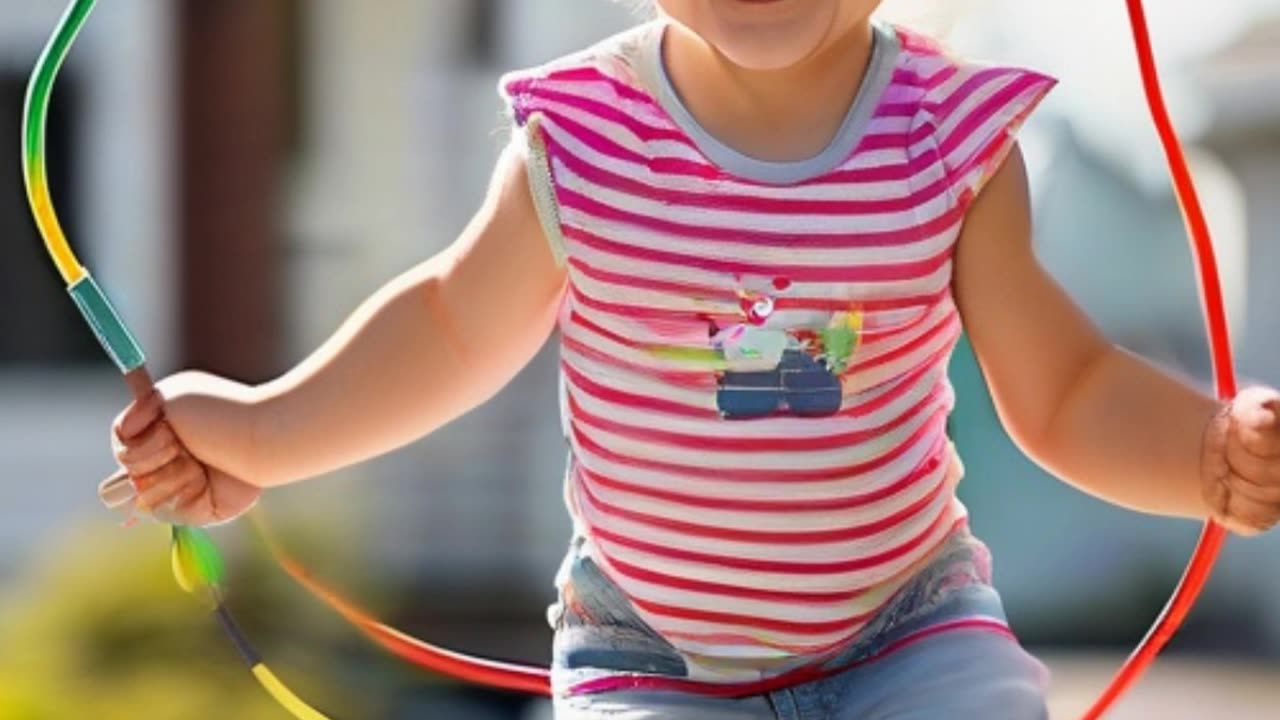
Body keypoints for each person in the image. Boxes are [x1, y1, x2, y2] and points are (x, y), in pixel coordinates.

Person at [100, 1, 1280, 717]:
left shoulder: (947, 140)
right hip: (649, 659)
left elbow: (1061, 386)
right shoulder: (583, 141)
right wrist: (259, 430)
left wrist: (1198, 454)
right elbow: (453, 327)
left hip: (904, 629)